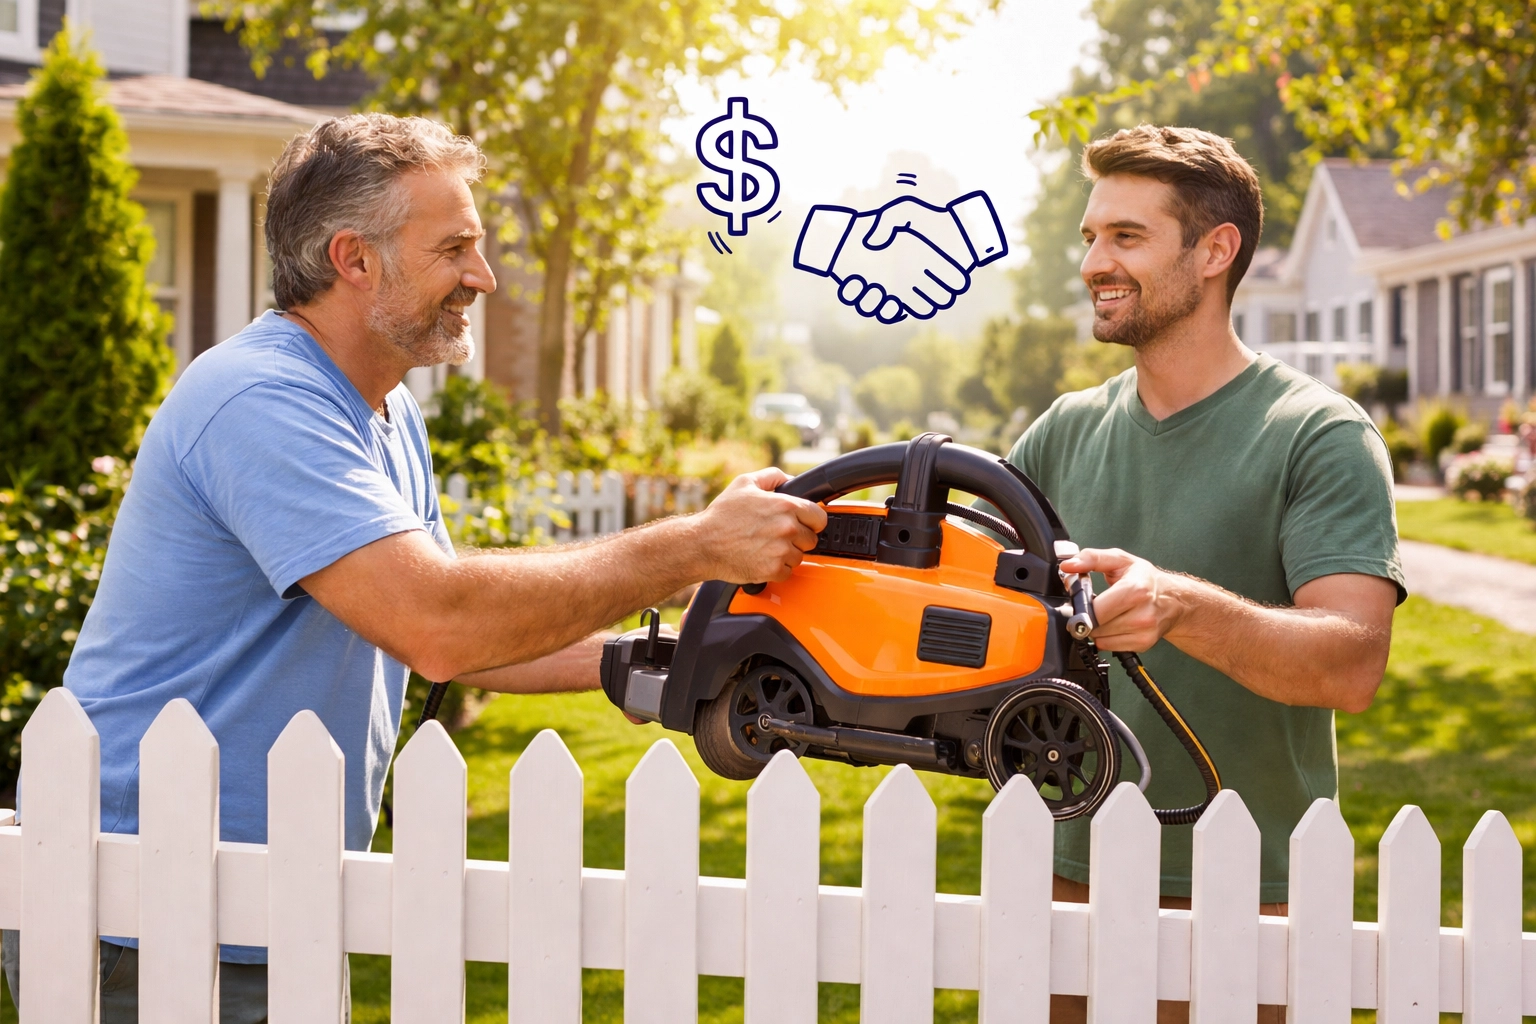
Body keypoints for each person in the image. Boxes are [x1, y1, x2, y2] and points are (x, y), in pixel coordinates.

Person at [2, 113, 826, 1022]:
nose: (484, 276)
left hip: (272, 900)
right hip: (144, 910)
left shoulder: (384, 413)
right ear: (354, 259)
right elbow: (439, 623)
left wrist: (652, 663)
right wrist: (695, 545)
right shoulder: (259, 399)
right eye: (455, 249)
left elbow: (452, 631)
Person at [1006, 126, 1404, 1024]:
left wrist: (1179, 606)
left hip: (1249, 891)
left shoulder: (1318, 435)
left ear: (1216, 250)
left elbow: (1351, 662)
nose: (1094, 264)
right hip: (1067, 878)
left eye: (1127, 237)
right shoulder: (1061, 433)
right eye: (1091, 237)